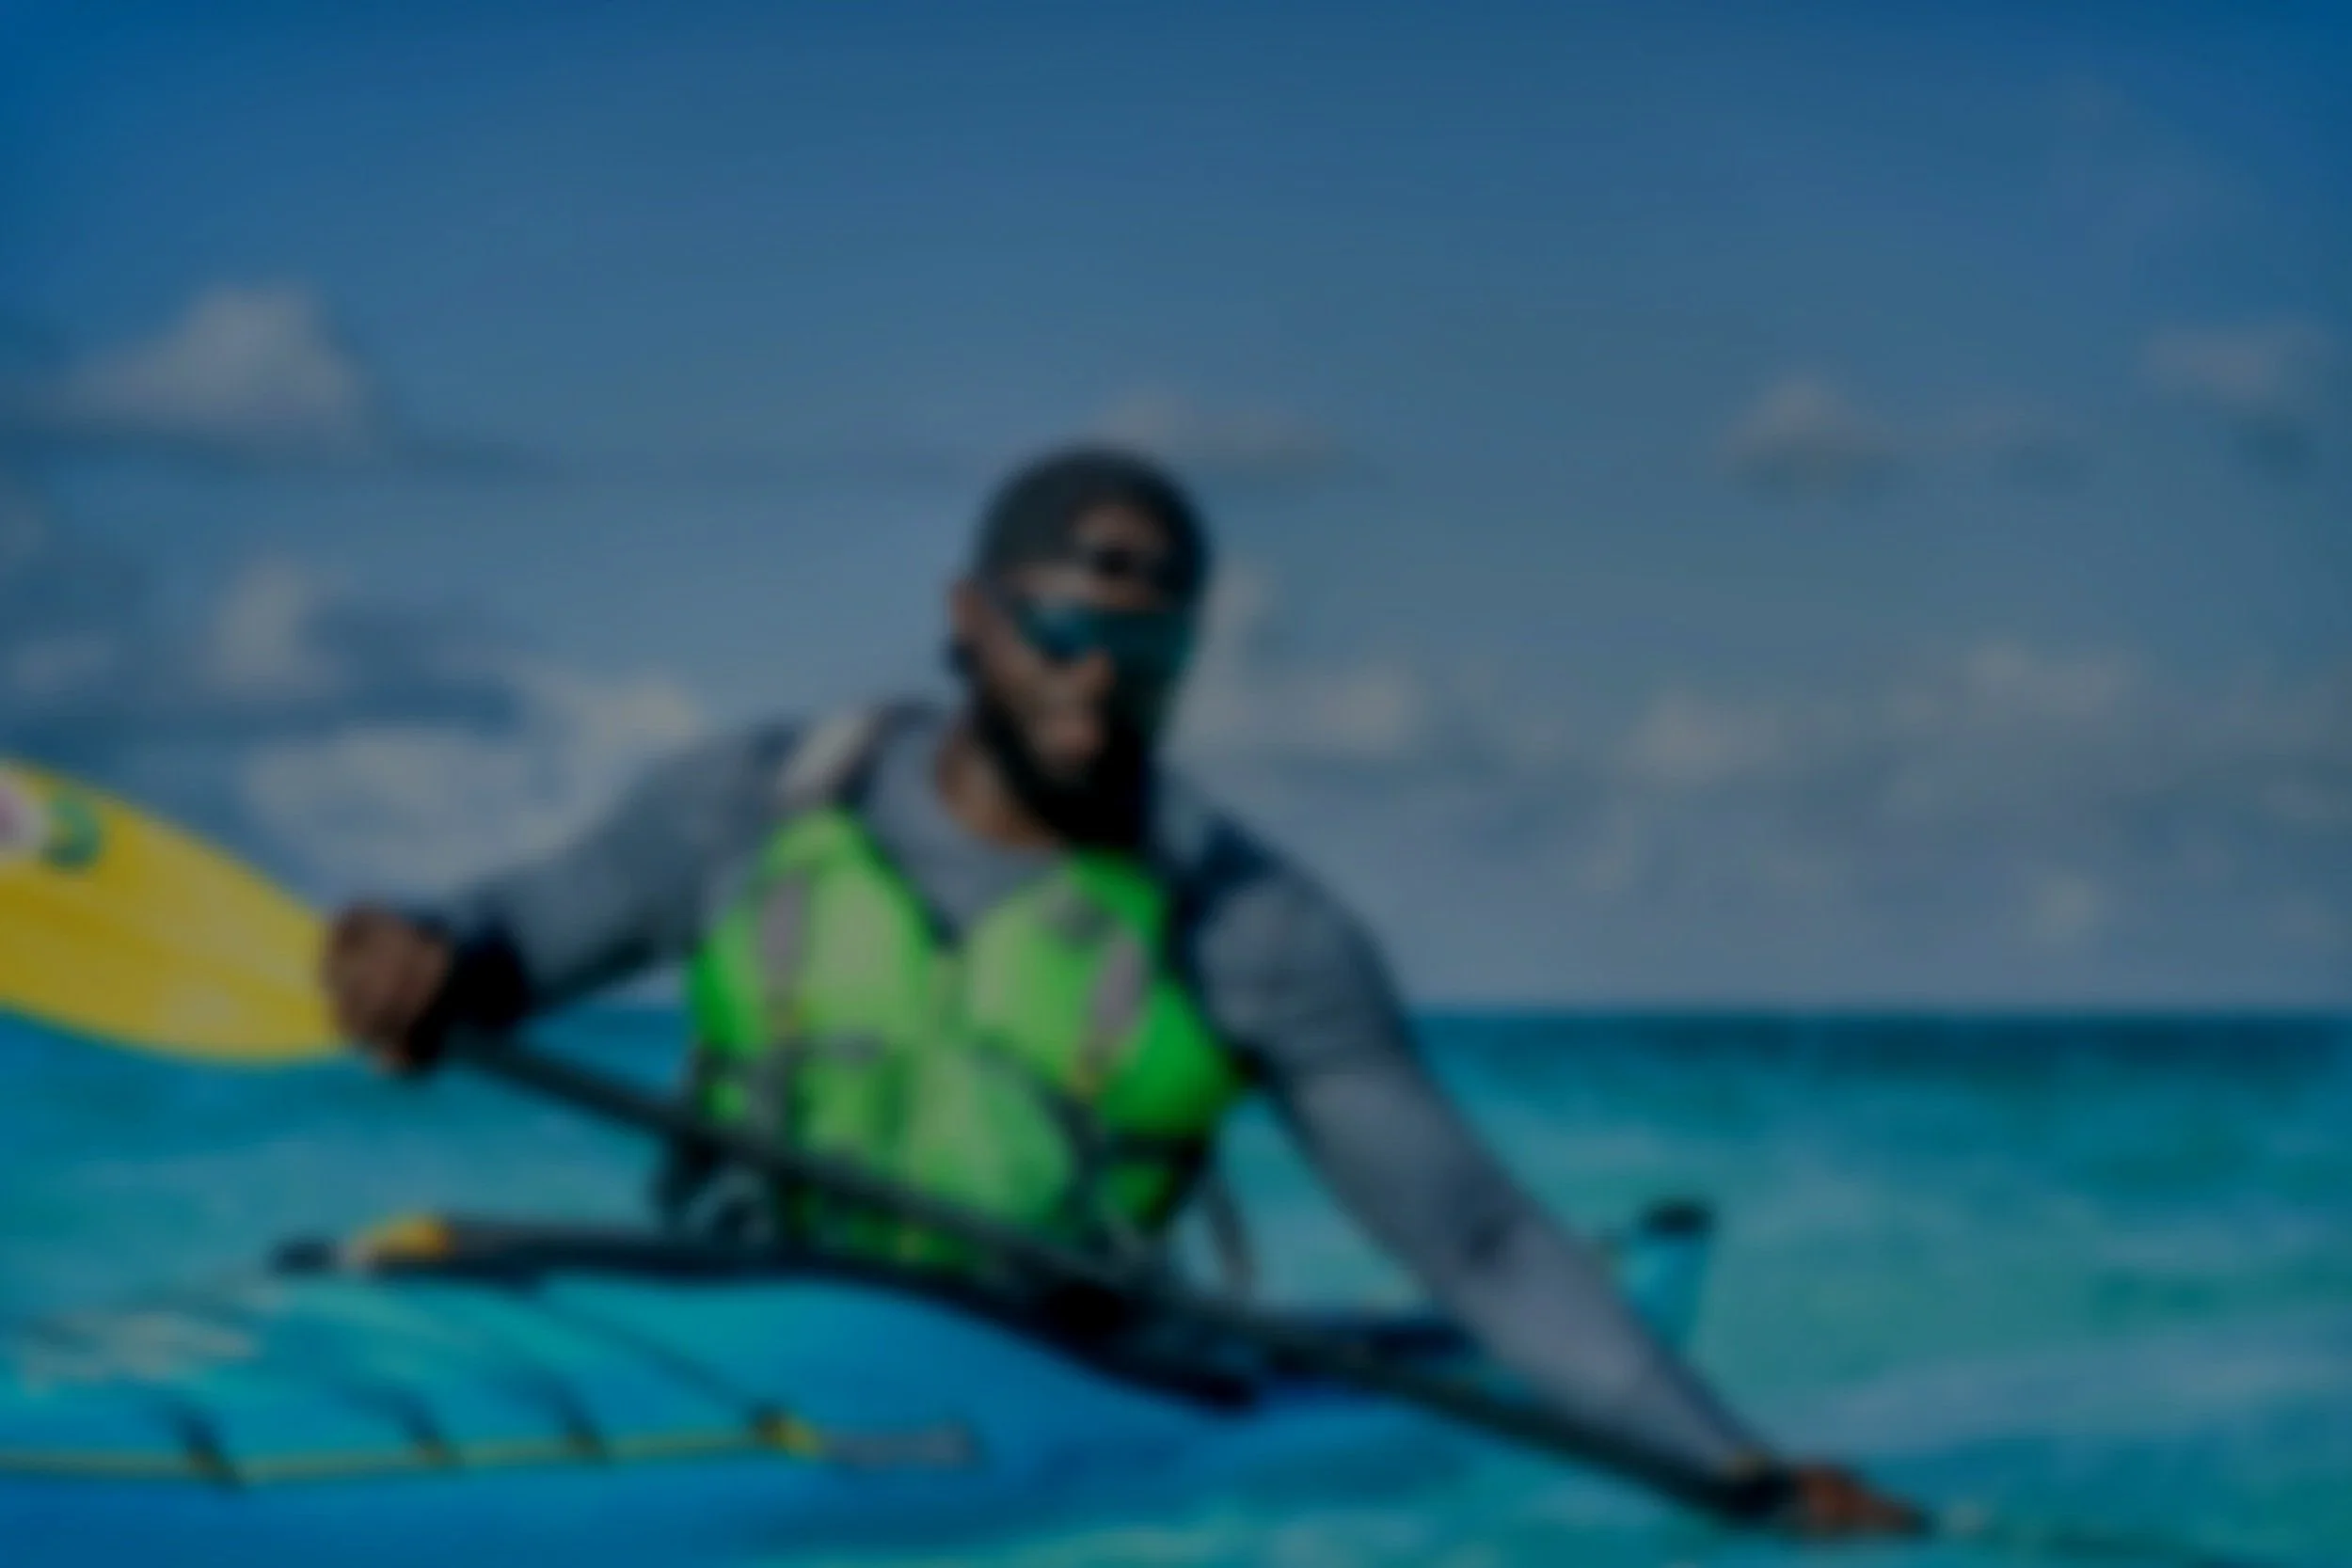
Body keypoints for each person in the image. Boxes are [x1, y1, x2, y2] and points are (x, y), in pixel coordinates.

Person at [324, 446, 1918, 1537]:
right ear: (970, 617)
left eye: (1153, 647)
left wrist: (1740, 1469)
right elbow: (496, 944)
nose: (1103, 680)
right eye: (1067, 627)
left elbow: (1480, 1245)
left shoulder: (1256, 933)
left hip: (1039, 1371)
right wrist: (409, 957)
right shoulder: (746, 806)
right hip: (704, 1327)